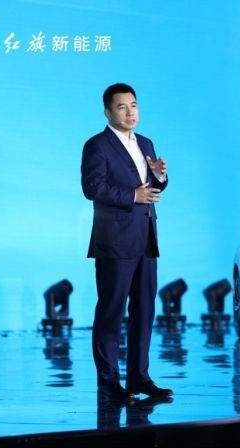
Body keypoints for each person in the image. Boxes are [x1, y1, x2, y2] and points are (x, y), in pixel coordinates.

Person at [81, 82, 172, 403]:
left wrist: (159, 176)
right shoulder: (97, 145)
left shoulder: (145, 142)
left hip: (146, 237)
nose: (130, 112)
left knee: (144, 310)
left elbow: (152, 187)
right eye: (122, 107)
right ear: (107, 112)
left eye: (133, 105)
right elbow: (92, 187)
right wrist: (132, 195)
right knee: (111, 311)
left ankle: (139, 377)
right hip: (115, 240)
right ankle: (108, 383)